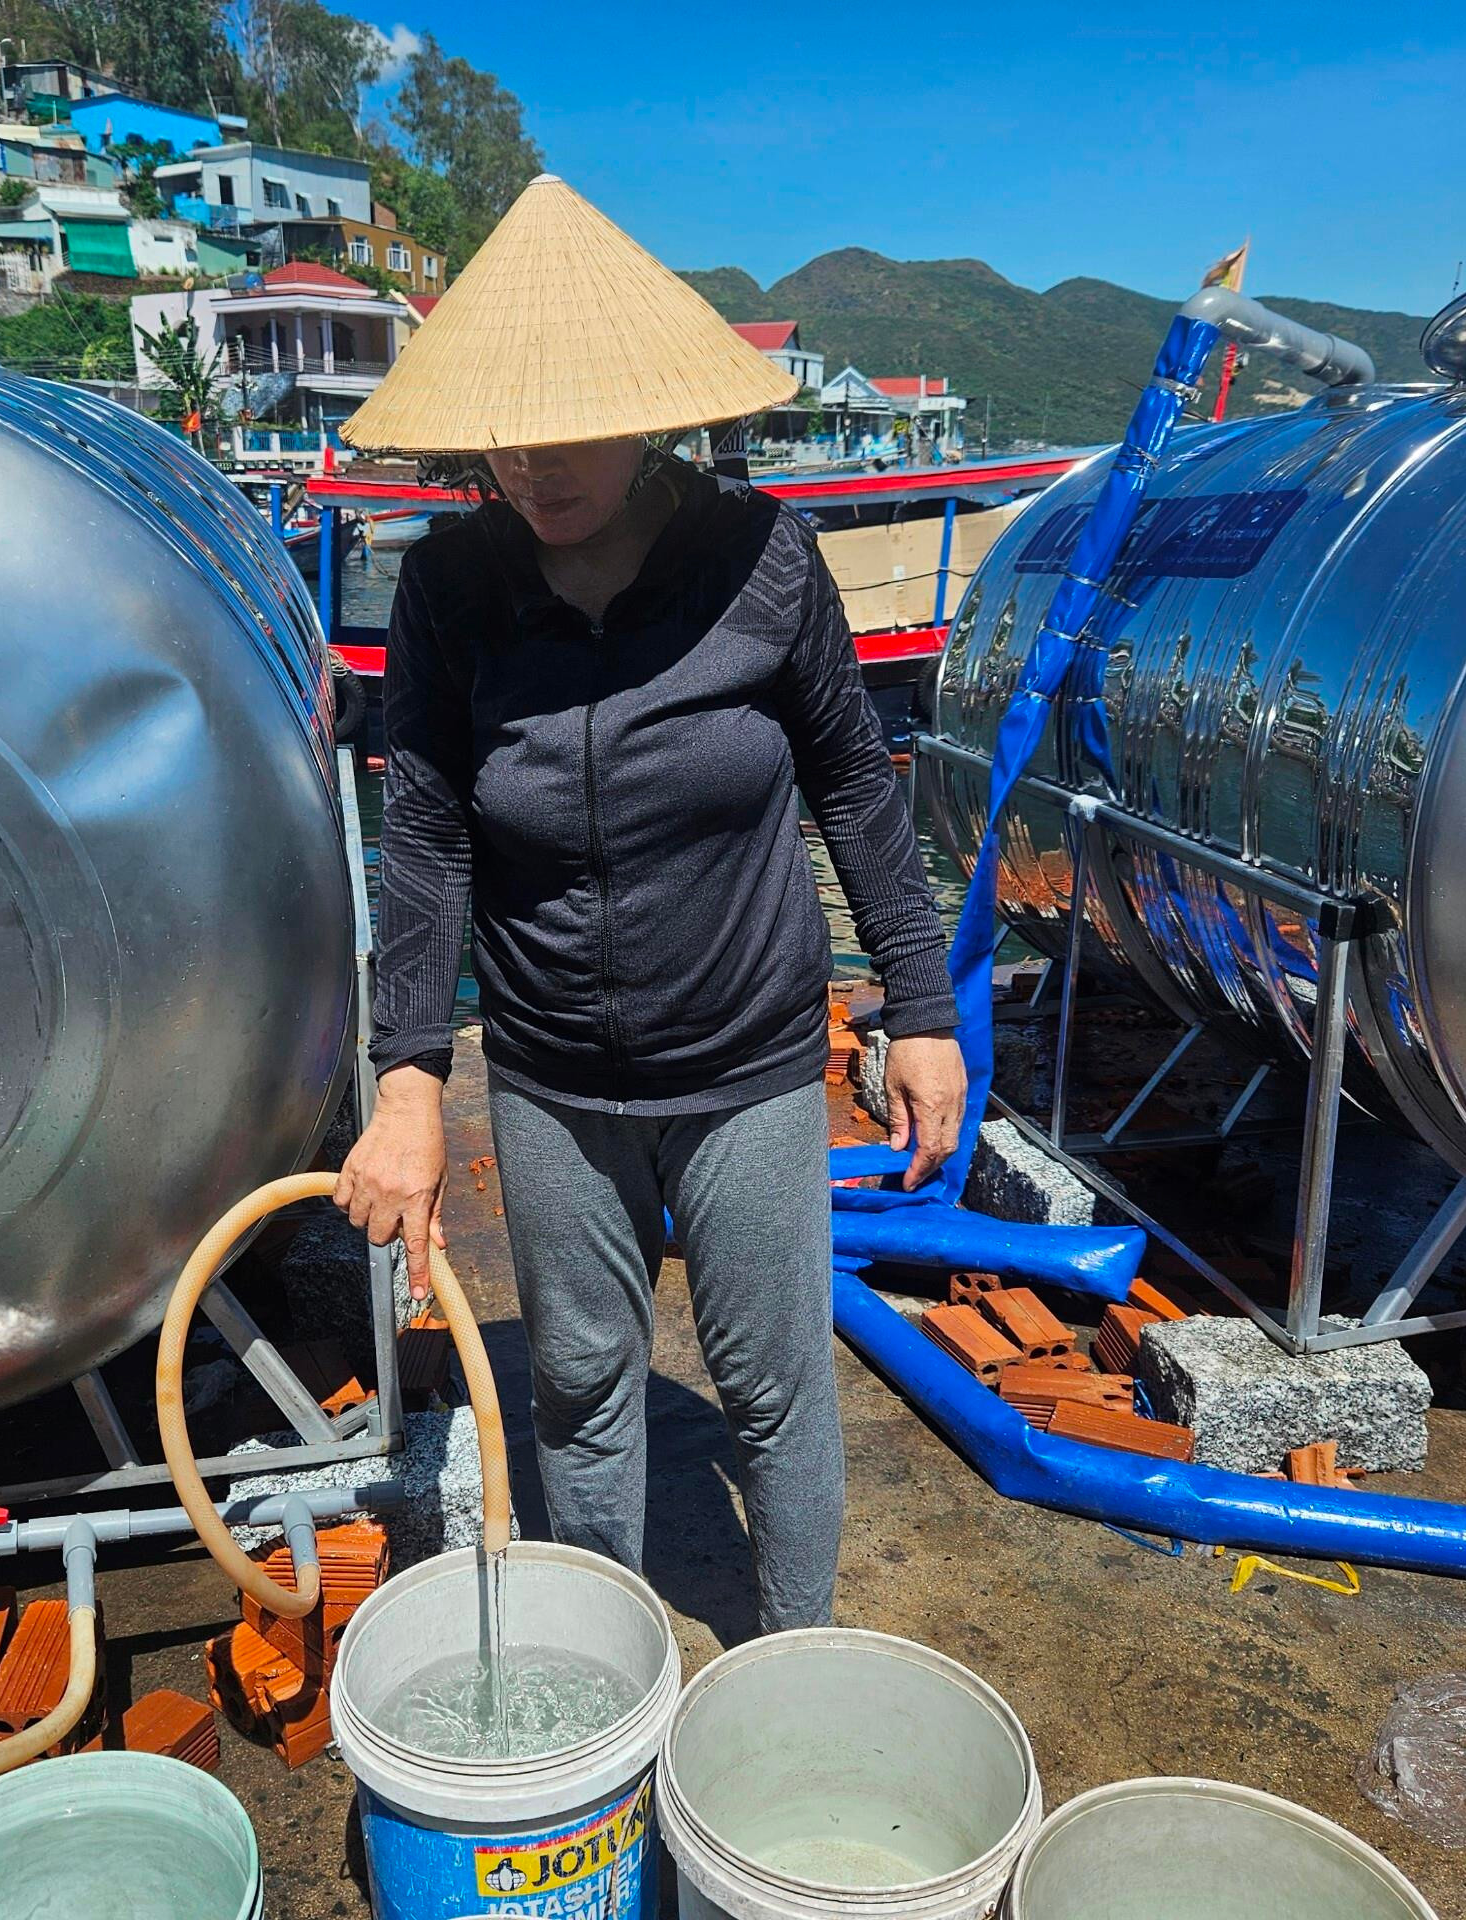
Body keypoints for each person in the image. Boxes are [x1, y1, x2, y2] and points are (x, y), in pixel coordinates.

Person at [331, 176, 966, 1633]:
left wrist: (919, 1010)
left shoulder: (761, 563)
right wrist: (409, 1080)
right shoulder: (453, 587)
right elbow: (423, 839)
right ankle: (615, 1658)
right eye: (508, 436)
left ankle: (795, 1657)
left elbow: (859, 789)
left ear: (655, 413)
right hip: (553, 1074)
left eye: (571, 431)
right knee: (579, 1381)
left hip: (745, 1060)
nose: (536, 467)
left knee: (770, 1382)